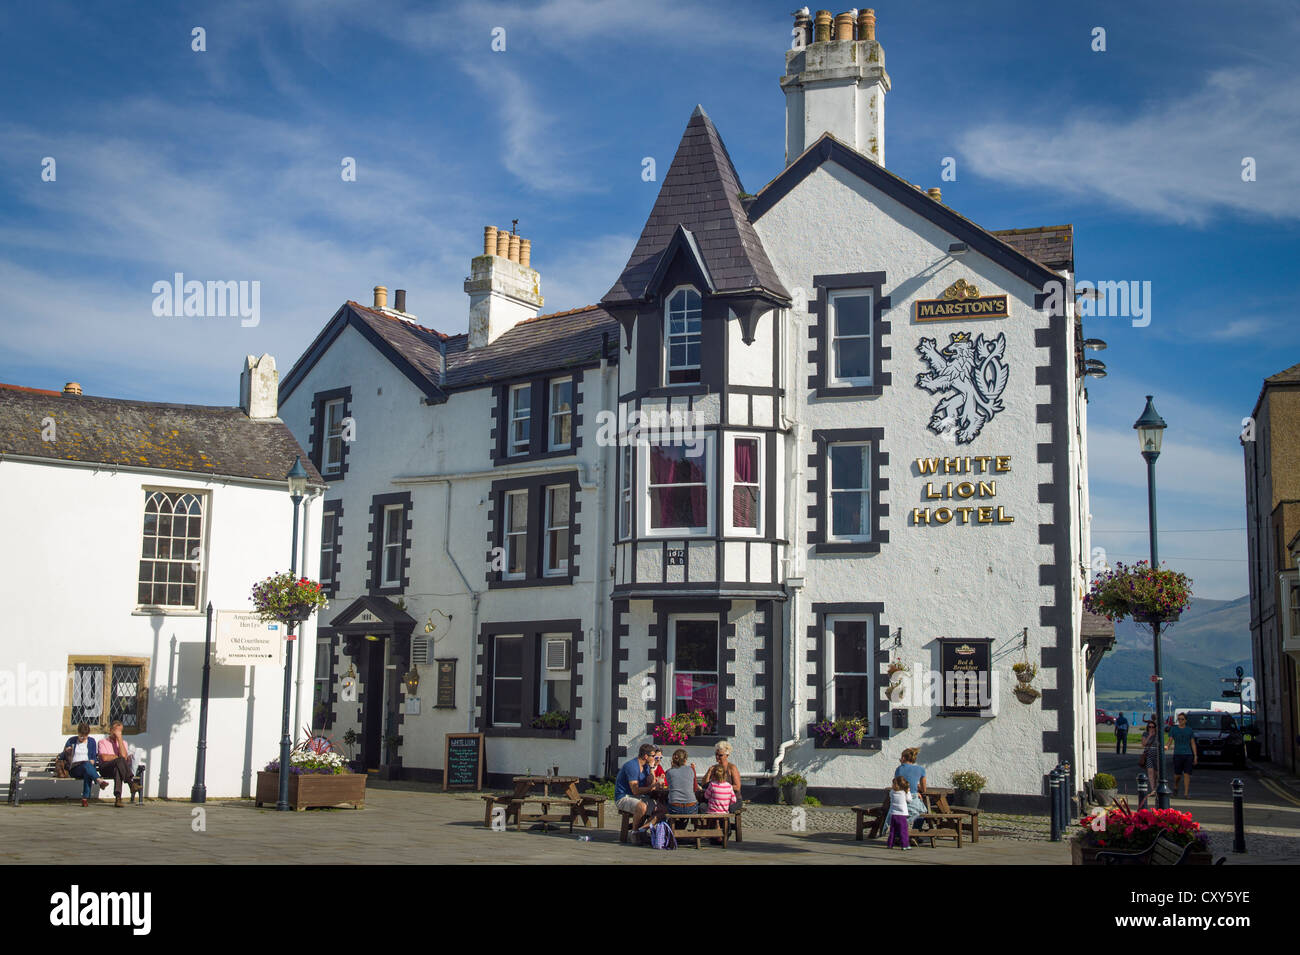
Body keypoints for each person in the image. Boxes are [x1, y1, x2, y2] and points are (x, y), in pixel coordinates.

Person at [62, 722, 109, 807]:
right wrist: (67, 751)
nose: (83, 738)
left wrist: (92, 761)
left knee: (87, 770)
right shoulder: (71, 740)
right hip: (74, 769)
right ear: (78, 733)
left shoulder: (92, 741)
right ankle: (99, 780)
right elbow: (63, 756)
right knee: (86, 765)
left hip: (87, 767)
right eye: (81, 736)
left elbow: (94, 756)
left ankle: (84, 800)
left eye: (85, 736)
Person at [615, 743, 658, 832]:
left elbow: (651, 783)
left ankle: (642, 830)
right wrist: (651, 787)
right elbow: (635, 790)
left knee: (661, 809)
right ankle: (635, 832)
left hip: (638, 796)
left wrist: (652, 768)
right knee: (642, 807)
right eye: (653, 756)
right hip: (624, 797)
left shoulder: (646, 766)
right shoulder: (632, 766)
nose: (655, 758)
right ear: (646, 756)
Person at [97, 720, 139, 807]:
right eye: (116, 731)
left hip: (117, 768)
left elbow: (124, 757)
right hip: (105, 768)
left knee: (118, 768)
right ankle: (131, 783)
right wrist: (117, 757)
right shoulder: (103, 742)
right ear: (111, 730)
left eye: (120, 731)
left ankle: (118, 798)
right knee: (119, 761)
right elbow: (105, 758)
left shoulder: (123, 743)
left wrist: (119, 739)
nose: (118, 733)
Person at [1166, 712, 1198, 797]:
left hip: (1188, 754)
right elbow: (1170, 740)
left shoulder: (1189, 730)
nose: (1180, 721)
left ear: (1185, 720)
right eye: (1179, 719)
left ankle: (1186, 793)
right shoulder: (1174, 729)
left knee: (1187, 773)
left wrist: (1195, 756)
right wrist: (1166, 746)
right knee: (1177, 775)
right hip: (1178, 754)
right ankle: (1176, 786)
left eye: (1182, 719)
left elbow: (1192, 743)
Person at [894, 747, 928, 826]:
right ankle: (916, 832)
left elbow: (898, 784)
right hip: (912, 798)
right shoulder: (921, 769)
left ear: (903, 758)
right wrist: (917, 790)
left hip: (899, 798)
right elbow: (924, 789)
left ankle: (899, 831)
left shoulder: (899, 769)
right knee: (922, 811)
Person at [664, 749, 701, 816]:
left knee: (665, 805)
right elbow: (695, 789)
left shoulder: (668, 772)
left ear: (673, 760)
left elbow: (669, 787)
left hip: (675, 807)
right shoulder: (691, 769)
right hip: (691, 807)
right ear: (685, 759)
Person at [711, 740, 743, 807]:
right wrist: (708, 773)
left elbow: (737, 787)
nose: (717, 757)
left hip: (733, 798)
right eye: (716, 754)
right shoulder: (714, 768)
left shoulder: (732, 768)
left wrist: (722, 787)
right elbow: (705, 784)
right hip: (718, 799)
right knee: (703, 807)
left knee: (729, 808)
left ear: (727, 755)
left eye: (720, 755)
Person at [885, 776, 912, 850]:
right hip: (902, 815)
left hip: (893, 814)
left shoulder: (892, 792)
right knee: (903, 831)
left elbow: (891, 798)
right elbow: (909, 800)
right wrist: (908, 791)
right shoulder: (904, 793)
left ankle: (890, 844)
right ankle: (905, 845)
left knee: (892, 830)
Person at [1139, 719, 1159, 805]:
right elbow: (1143, 744)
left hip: (1157, 754)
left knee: (1156, 773)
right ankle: (1153, 789)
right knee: (1150, 772)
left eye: (1153, 726)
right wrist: (1149, 736)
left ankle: (1157, 787)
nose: (1151, 728)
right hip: (1149, 754)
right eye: (1149, 726)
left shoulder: (1157, 735)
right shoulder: (1145, 734)